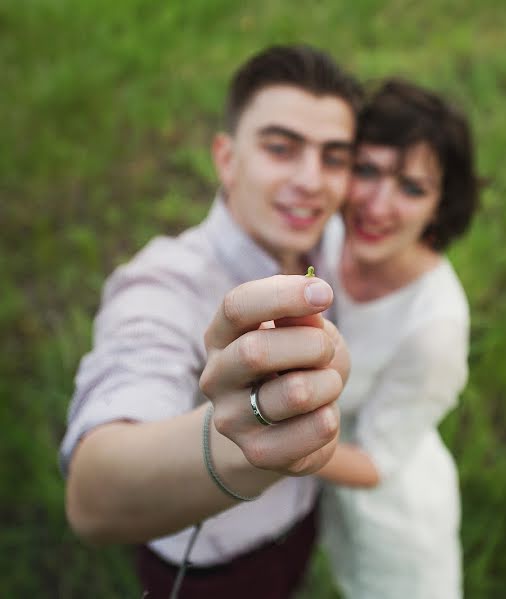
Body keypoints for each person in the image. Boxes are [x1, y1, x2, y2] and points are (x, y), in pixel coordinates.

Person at [60, 45, 361, 598]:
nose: (313, 181)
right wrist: (238, 440)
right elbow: (94, 496)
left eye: (335, 158)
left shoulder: (337, 246)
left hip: (300, 534)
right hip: (213, 572)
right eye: (281, 148)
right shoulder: (161, 284)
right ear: (226, 158)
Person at [313, 79, 481, 598]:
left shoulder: (436, 331)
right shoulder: (332, 232)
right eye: (366, 170)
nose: (376, 205)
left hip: (392, 521)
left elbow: (376, 465)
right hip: (322, 490)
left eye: (411, 188)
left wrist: (274, 445)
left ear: (441, 205)